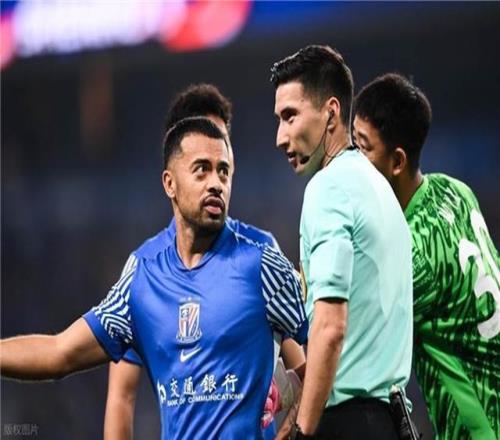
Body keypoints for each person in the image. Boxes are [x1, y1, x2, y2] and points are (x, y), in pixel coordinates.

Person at [1, 116, 308, 440]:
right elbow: (60, 353)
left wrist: (296, 427)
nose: (216, 183)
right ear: (169, 183)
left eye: (223, 171)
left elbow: (326, 345)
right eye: (201, 170)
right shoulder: (143, 277)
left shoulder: (261, 262)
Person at [104, 84, 306, 440]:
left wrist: (292, 412)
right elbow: (121, 397)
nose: (215, 159)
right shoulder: (146, 275)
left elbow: (303, 363)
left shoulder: (257, 258)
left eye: (222, 143)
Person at [271, 45, 413, 439]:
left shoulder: (328, 188)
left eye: (290, 116)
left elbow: (331, 327)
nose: (281, 137)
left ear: (331, 113)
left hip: (348, 423)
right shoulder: (379, 189)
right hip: (389, 420)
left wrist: (303, 430)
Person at [353, 72, 499, 440]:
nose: (352, 162)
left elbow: (344, 330)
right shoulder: (455, 190)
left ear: (397, 161)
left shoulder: (412, 254)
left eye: (363, 148)